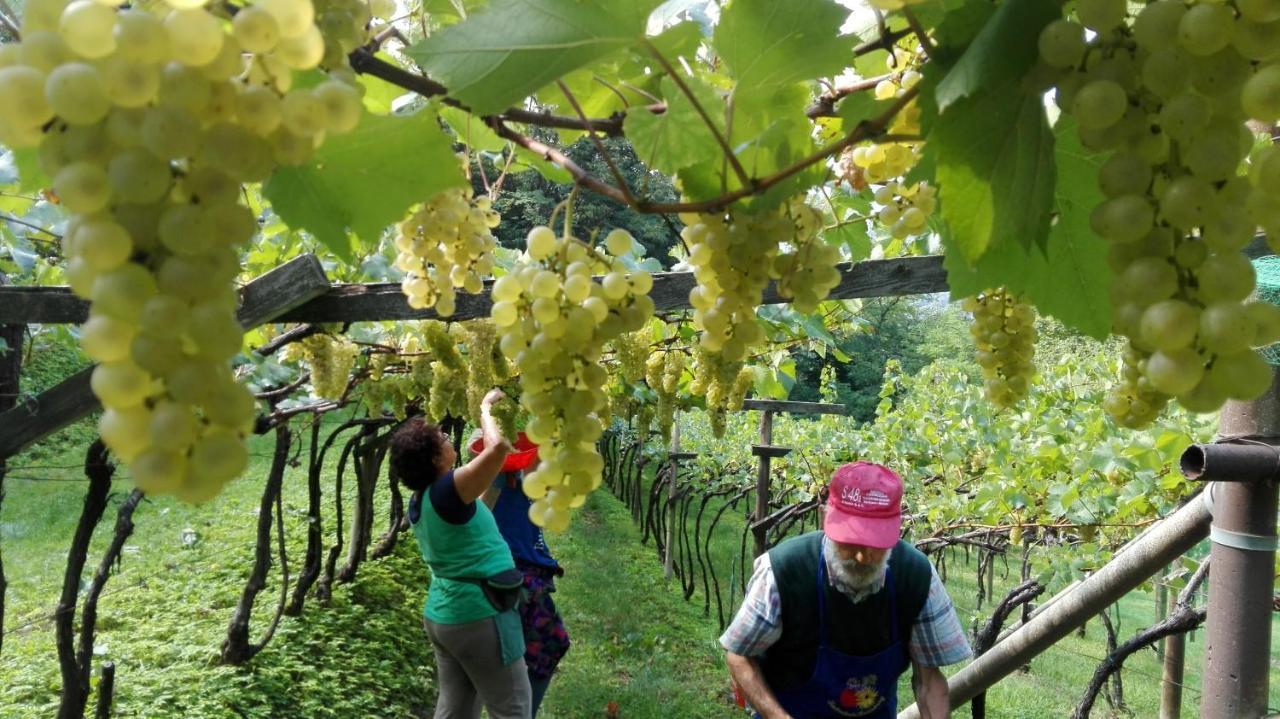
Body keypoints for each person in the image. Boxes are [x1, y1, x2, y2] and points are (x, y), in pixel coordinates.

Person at [720, 461, 971, 719]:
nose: (862, 558)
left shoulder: (917, 577)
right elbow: (739, 655)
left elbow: (929, 683)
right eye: (851, 542)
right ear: (824, 517)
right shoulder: (783, 571)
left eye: (876, 544)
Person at [390, 389, 531, 719]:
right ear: (436, 459)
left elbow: (475, 512)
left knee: (455, 711)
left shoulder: (425, 500)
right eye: (440, 438)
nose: (445, 436)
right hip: (479, 614)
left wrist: (497, 481)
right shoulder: (447, 489)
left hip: (445, 617)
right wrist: (485, 408)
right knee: (512, 708)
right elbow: (497, 447)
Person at [482, 458, 572, 718]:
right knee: (552, 643)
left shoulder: (534, 468)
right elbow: (475, 448)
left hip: (528, 569)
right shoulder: (495, 464)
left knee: (528, 652)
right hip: (514, 572)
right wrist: (502, 458)